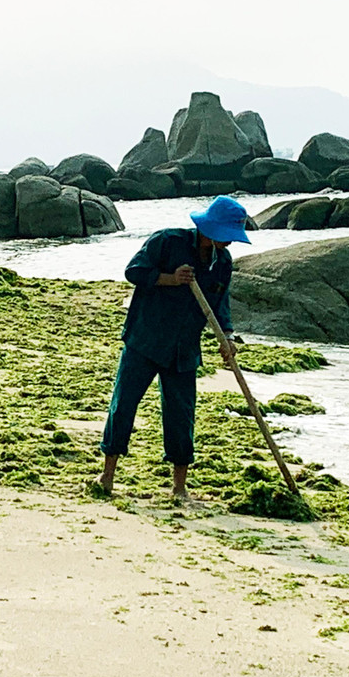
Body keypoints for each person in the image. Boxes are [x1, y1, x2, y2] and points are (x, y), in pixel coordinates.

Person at [97, 195, 251, 501]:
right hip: (145, 339)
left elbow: (221, 304)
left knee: (182, 415)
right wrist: (170, 278)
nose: (231, 243)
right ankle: (107, 475)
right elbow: (134, 271)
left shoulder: (222, 263)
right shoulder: (168, 241)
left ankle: (179, 488)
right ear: (211, 228)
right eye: (227, 236)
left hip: (183, 348)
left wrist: (228, 337)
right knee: (124, 405)